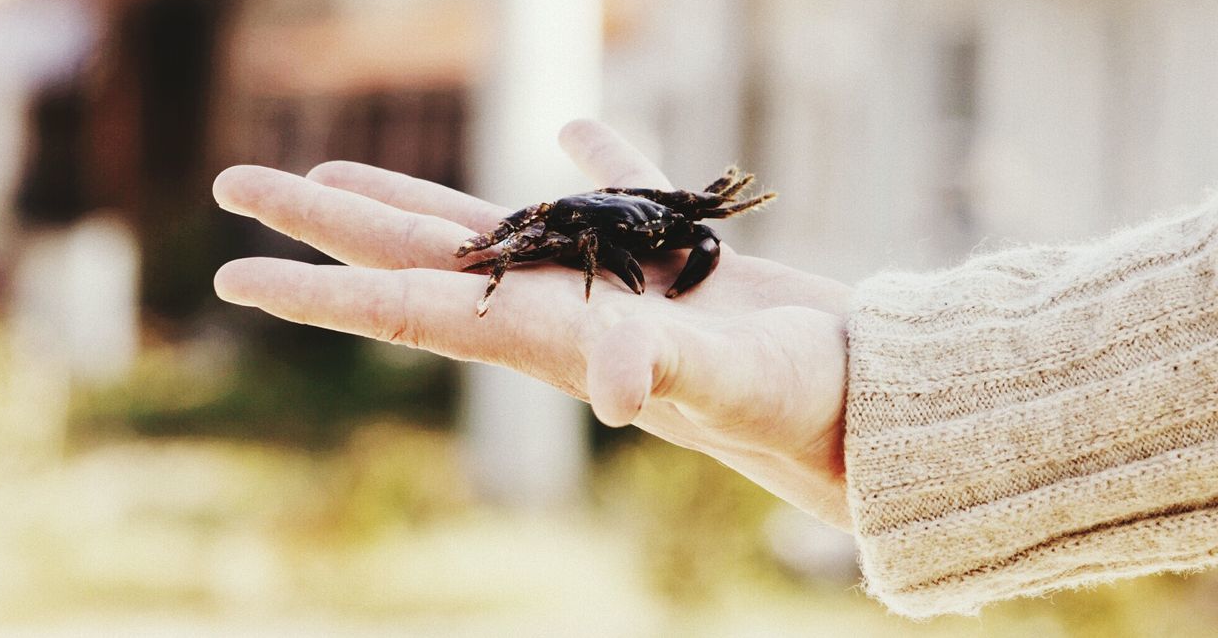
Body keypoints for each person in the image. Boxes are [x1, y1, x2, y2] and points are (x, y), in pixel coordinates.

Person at [213, 118, 1218, 618]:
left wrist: (900, 388)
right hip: (566, 226)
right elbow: (563, 231)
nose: (672, 243)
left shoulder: (664, 223)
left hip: (621, 219)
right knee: (514, 246)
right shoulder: (578, 226)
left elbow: (687, 230)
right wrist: (901, 384)